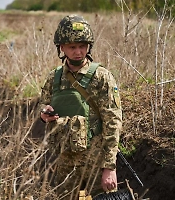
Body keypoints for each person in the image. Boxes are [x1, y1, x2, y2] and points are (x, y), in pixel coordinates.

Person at [39, 14, 122, 199]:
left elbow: (113, 121)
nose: (78, 51)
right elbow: (43, 104)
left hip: (96, 161)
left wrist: (109, 167)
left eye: (83, 46)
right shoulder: (55, 78)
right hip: (65, 161)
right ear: (62, 48)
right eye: (72, 47)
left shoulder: (102, 77)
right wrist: (44, 114)